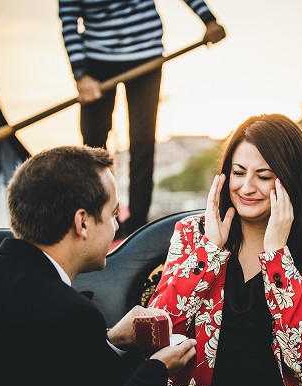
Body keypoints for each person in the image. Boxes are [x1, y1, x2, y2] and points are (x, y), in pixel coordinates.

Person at [147, 114, 302, 386]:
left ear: (290, 181)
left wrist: (277, 257)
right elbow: (159, 327)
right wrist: (210, 250)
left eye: (263, 176)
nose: (247, 187)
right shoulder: (192, 234)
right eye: (238, 172)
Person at [0, 145, 196, 386]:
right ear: (82, 222)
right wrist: (158, 368)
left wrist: (112, 340)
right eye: (113, 214)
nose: (116, 226)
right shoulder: (70, 314)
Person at [58, 0, 226, 238]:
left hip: (146, 54)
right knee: (92, 148)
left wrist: (208, 20)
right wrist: (81, 74)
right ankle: (99, 219)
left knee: (142, 141)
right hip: (97, 60)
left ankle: (137, 226)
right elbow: (68, 19)